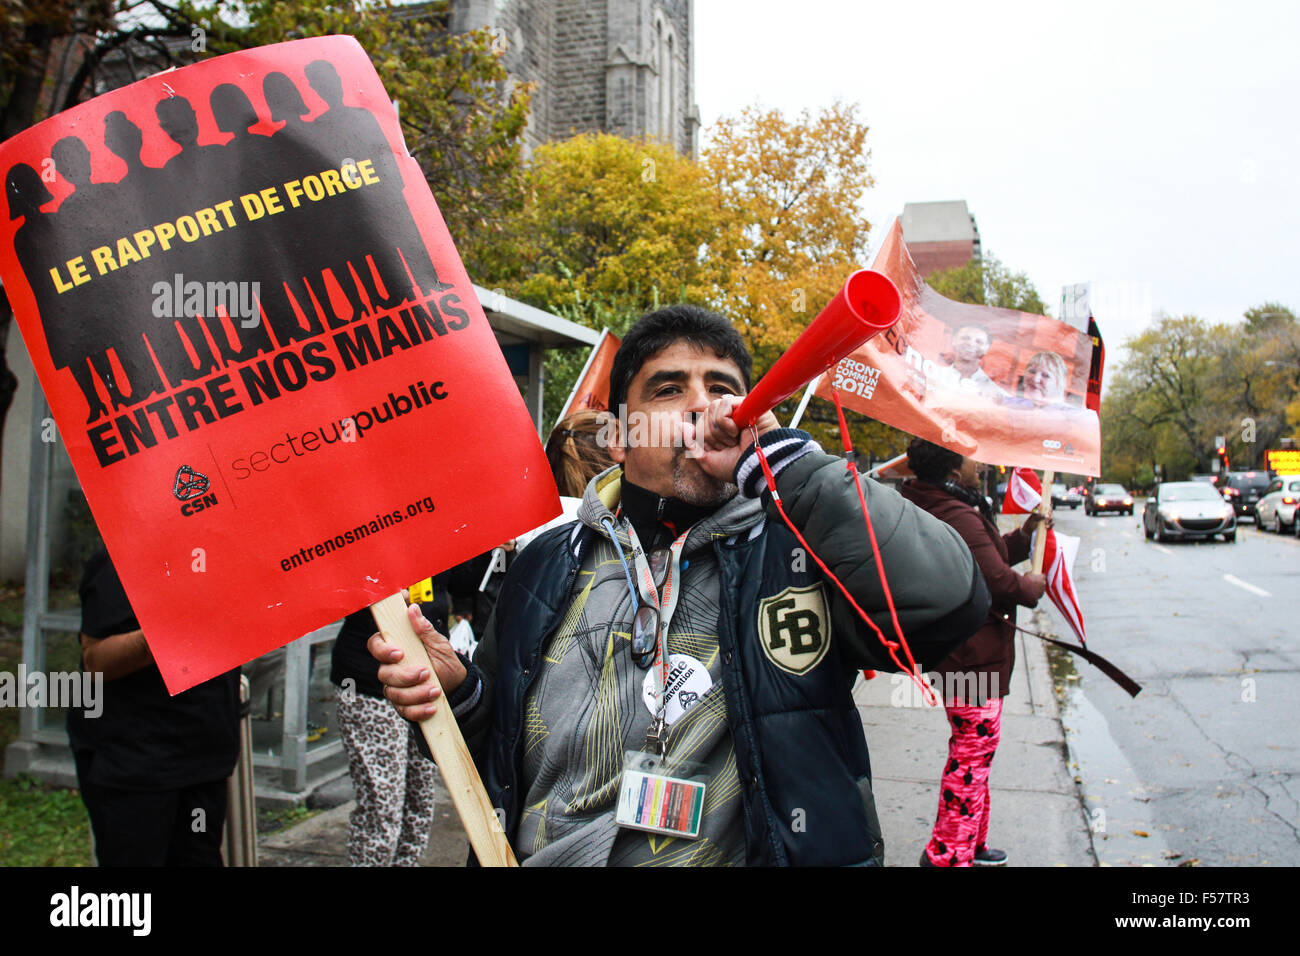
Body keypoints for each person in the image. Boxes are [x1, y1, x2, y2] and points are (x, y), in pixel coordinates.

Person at [371, 305, 991, 866]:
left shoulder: (800, 553)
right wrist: (461, 697)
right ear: (617, 437)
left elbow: (949, 601)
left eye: (723, 389)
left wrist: (788, 464)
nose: (706, 406)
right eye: (670, 389)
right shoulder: (545, 564)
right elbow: (502, 762)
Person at [899, 438, 1049, 867]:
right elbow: (1000, 580)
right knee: (971, 753)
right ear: (952, 470)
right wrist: (1031, 588)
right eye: (968, 455)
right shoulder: (955, 513)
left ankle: (972, 843)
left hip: (966, 651)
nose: (976, 461)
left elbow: (992, 555)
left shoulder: (947, 503)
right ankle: (947, 854)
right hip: (969, 654)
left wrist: (1025, 535)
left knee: (976, 751)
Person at [67, 550, 241, 866]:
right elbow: (95, 661)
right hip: (137, 763)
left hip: (205, 755)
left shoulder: (223, 552)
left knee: (199, 858)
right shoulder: (121, 560)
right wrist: (163, 633)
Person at [933, 323, 1007, 399]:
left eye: (979, 342)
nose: (971, 344)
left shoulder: (992, 391)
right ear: (953, 340)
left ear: (986, 348)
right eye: (965, 338)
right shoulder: (934, 375)